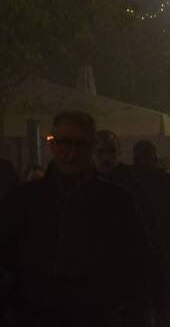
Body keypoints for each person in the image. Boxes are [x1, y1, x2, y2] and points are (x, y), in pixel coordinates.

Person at [0, 111, 151, 325]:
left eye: (79, 145)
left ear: (90, 148)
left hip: (95, 313)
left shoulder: (117, 201)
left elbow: (137, 262)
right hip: (37, 313)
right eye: (64, 143)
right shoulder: (22, 201)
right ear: (53, 145)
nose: (70, 153)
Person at [133, 140, 170, 327]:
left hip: (137, 251)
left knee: (141, 302)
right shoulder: (166, 182)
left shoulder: (128, 180)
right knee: (164, 299)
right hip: (163, 249)